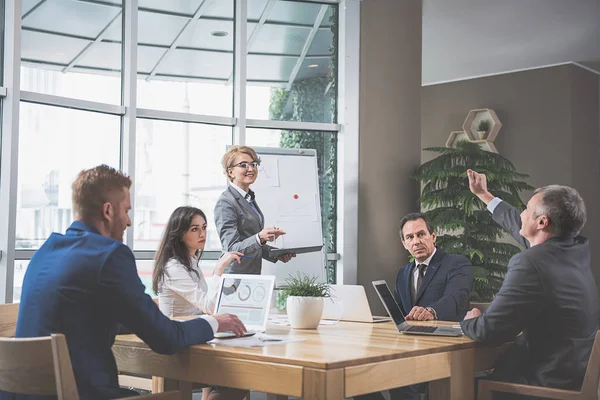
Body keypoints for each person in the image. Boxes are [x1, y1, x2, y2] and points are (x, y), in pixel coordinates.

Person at [3, 165, 246, 400]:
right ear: (108, 211)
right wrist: (213, 322)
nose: (129, 221)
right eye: (126, 211)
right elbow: (166, 339)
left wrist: (144, 312)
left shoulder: (44, 253)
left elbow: (86, 318)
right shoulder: (109, 254)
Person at [463, 169, 600, 395]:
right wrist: (484, 195)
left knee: (458, 386)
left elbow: (488, 331)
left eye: (526, 209)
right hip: (571, 380)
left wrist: (471, 319)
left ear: (542, 222)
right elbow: (521, 229)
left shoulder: (529, 262)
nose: (521, 215)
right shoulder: (574, 250)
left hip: (540, 386)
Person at [153, 206, 248, 400]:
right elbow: (209, 306)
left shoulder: (190, 261)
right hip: (177, 343)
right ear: (179, 234)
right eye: (194, 229)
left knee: (240, 374)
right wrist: (219, 269)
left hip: (194, 336)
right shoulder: (173, 267)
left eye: (204, 228)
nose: (202, 234)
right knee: (239, 378)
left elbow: (206, 305)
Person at [214, 146, 294, 274]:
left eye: (253, 164)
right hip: (235, 277)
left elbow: (249, 241)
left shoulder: (249, 198)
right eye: (243, 165)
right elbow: (231, 249)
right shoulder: (226, 202)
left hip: (252, 274)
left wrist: (275, 254)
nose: (251, 169)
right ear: (230, 172)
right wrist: (260, 237)